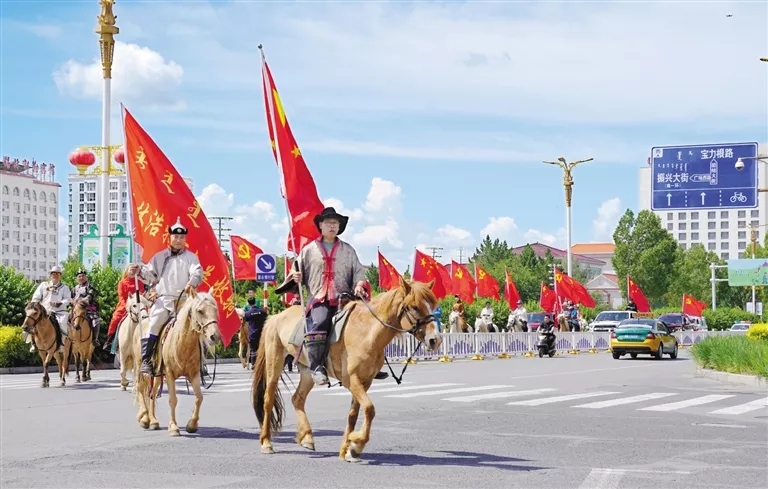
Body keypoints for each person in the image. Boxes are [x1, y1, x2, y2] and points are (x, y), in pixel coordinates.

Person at [275, 206, 387, 386]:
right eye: (328, 223)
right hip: (320, 299)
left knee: (369, 322)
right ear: (320, 225)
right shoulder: (309, 250)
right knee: (320, 321)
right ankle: (317, 366)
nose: (332, 226)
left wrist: (359, 284)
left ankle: (371, 364)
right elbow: (295, 273)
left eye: (335, 223)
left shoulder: (348, 250)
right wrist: (296, 277)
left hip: (345, 299)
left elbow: (359, 272)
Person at [128, 217, 204, 375]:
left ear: (185, 239)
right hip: (165, 300)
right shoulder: (159, 257)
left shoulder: (191, 257)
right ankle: (147, 359)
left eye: (181, 237)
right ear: (170, 237)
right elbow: (150, 275)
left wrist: (192, 283)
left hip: (185, 302)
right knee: (154, 322)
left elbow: (197, 271)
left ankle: (200, 362)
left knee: (199, 324)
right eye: (175, 237)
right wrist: (139, 272)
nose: (178, 240)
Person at [26, 265, 71, 352]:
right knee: (31, 322)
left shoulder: (65, 287)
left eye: (58, 274)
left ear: (60, 275)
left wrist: (60, 302)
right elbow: (36, 296)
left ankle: (61, 344)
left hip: (59, 311)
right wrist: (35, 303)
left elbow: (67, 299)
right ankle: (33, 344)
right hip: (44, 311)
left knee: (62, 324)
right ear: (50, 275)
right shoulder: (43, 285)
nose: (55, 275)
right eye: (53, 273)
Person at [104, 266, 146, 352]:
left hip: (138, 306)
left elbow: (141, 295)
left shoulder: (139, 283)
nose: (133, 272)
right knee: (115, 319)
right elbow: (121, 296)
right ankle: (109, 340)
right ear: (127, 271)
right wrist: (127, 306)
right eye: (131, 270)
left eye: (135, 270)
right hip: (124, 305)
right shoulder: (122, 283)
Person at [71, 269, 102, 348]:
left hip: (90, 308)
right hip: (77, 310)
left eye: (83, 276)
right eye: (79, 276)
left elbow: (89, 296)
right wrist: (72, 302)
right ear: (77, 278)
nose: (81, 278)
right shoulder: (75, 288)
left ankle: (95, 339)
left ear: (86, 277)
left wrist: (80, 302)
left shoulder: (90, 285)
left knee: (96, 320)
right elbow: (71, 298)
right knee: (66, 318)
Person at [244, 297, 268, 367]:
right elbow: (266, 318)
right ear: (255, 302)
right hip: (262, 333)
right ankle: (263, 363)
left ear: (248, 304)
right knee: (262, 349)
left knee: (253, 350)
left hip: (252, 334)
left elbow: (246, 321)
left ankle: (254, 364)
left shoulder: (248, 313)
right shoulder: (262, 311)